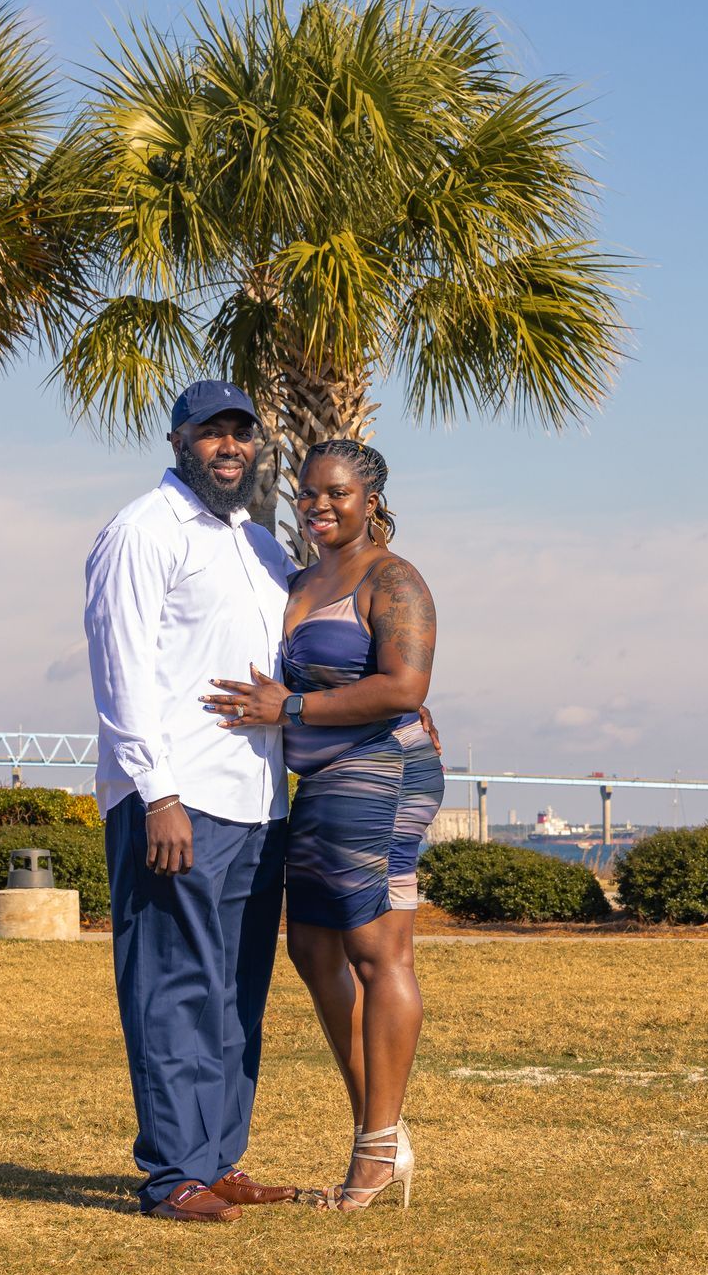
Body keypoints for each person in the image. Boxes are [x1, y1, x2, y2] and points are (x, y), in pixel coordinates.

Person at [82, 380, 304, 1223]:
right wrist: (158, 793)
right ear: (178, 441)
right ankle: (173, 1173)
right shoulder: (143, 531)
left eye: (241, 432)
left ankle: (219, 1157)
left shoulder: (260, 545)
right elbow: (122, 668)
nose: (230, 446)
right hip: (176, 801)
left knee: (236, 990)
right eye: (212, 432)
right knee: (174, 987)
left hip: (257, 805)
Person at [203, 439, 443, 1212]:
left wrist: (294, 706)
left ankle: (375, 1149)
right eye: (308, 492)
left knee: (377, 952)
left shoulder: (394, 579)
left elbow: (403, 687)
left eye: (337, 492)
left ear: (371, 500)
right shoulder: (300, 578)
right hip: (321, 781)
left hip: (381, 771)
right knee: (310, 948)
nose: (318, 505)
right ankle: (382, 1128)